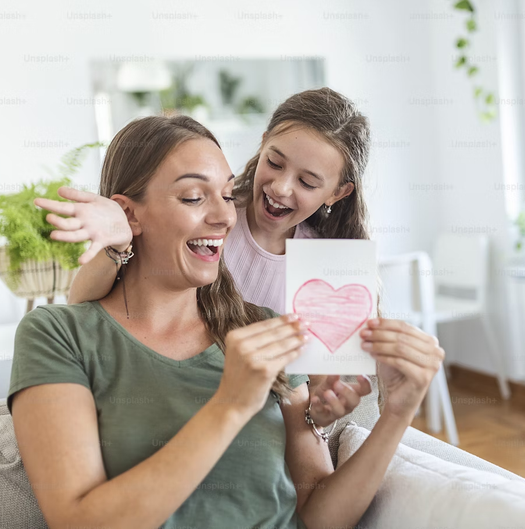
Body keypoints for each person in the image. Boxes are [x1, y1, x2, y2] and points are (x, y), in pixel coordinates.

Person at [9, 114, 445, 528]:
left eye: (226, 193)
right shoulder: (57, 335)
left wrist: (399, 413)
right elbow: (77, 522)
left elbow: (321, 516)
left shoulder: (266, 330)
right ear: (129, 215)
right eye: (194, 197)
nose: (224, 216)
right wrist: (231, 404)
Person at [38, 88, 377, 425]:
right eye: (274, 162)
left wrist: (318, 412)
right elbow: (83, 310)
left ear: (338, 192)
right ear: (262, 144)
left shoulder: (334, 266)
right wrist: (117, 241)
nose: (280, 188)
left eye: (306, 182)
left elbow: (313, 397)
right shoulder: (205, 226)